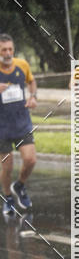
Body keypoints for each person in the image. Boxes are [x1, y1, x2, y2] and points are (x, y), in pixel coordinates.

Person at [0, 33, 37, 215]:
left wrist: (33, 96)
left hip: (22, 123)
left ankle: (20, 185)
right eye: (3, 50)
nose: (7, 53)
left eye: (10, 49)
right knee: (7, 167)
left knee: (30, 160)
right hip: (2, 127)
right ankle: (7, 198)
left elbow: (31, 81)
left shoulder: (22, 65)